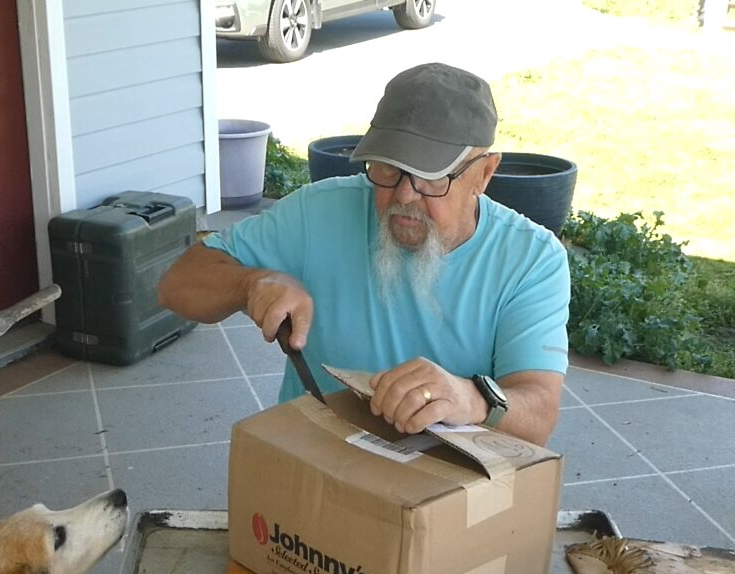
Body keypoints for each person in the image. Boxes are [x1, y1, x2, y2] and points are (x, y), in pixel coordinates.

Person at [158, 62, 569, 445]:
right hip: (317, 459)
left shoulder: (531, 259)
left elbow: (538, 414)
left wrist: (471, 398)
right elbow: (177, 285)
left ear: (484, 173)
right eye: (388, 169)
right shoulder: (320, 211)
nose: (404, 196)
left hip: (450, 490)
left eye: (431, 177)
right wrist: (249, 285)